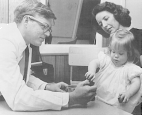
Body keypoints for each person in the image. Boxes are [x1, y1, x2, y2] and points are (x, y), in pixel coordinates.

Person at [0, 0, 97, 111]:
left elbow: (18, 76)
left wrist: (46, 86)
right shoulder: (4, 42)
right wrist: (71, 98)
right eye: (44, 27)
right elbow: (18, 98)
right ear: (26, 20)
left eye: (49, 29)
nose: (47, 34)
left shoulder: (24, 44)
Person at [85, 29, 142, 113]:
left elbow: (136, 82)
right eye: (113, 51)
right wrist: (91, 71)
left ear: (128, 53)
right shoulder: (107, 61)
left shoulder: (130, 68)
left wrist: (128, 93)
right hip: (98, 100)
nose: (115, 56)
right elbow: (94, 62)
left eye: (121, 53)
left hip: (116, 105)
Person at [92, 1, 142, 67]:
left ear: (117, 15)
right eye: (100, 24)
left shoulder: (139, 34)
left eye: (106, 19)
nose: (104, 25)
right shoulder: (114, 42)